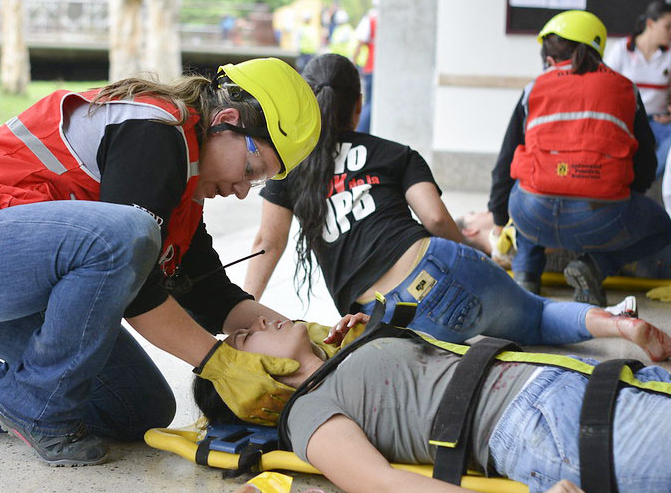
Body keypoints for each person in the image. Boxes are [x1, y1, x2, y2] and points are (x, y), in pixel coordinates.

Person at [0, 58, 321, 466]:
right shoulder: (156, 130)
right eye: (251, 169)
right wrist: (220, 364)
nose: (244, 189)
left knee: (138, 407)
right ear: (226, 121)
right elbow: (138, 287)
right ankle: (36, 403)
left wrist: (306, 336)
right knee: (126, 234)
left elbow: (211, 295)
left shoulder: (183, 195)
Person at [243, 53, 671, 357]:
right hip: (440, 258)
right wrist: (477, 253)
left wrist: (240, 316)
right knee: (539, 315)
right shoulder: (395, 152)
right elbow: (434, 218)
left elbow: (269, 242)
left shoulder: (291, 169)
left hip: (389, 314)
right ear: (358, 106)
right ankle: (619, 324)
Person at [193, 315, 671, 493]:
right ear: (246, 386)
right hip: (541, 425)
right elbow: (386, 488)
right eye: (243, 338)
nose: (257, 320)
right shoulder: (306, 413)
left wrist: (378, 333)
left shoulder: (342, 355)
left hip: (585, 378)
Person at [489, 10, 671, 305]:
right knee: (663, 228)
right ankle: (594, 267)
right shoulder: (625, 88)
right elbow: (646, 164)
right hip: (602, 214)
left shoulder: (533, 88)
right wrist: (621, 196)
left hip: (533, 214)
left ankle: (525, 276)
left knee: (525, 185)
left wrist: (499, 220)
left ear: (549, 57)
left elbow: (504, 164)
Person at [457, 209, 671, 280]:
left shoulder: (510, 258)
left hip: (645, 259)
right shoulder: (516, 246)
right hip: (649, 253)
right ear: (470, 230)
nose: (485, 211)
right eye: (474, 214)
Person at [605, 1, 671, 179]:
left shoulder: (669, 54)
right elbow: (605, 87)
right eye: (668, 27)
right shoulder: (621, 50)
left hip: (658, 121)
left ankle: (643, 180)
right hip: (627, 119)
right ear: (650, 24)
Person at [353, 0, 378, 133]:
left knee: (369, 103)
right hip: (376, 69)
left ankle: (362, 132)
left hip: (371, 67)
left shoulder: (371, 18)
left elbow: (360, 42)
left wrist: (353, 62)